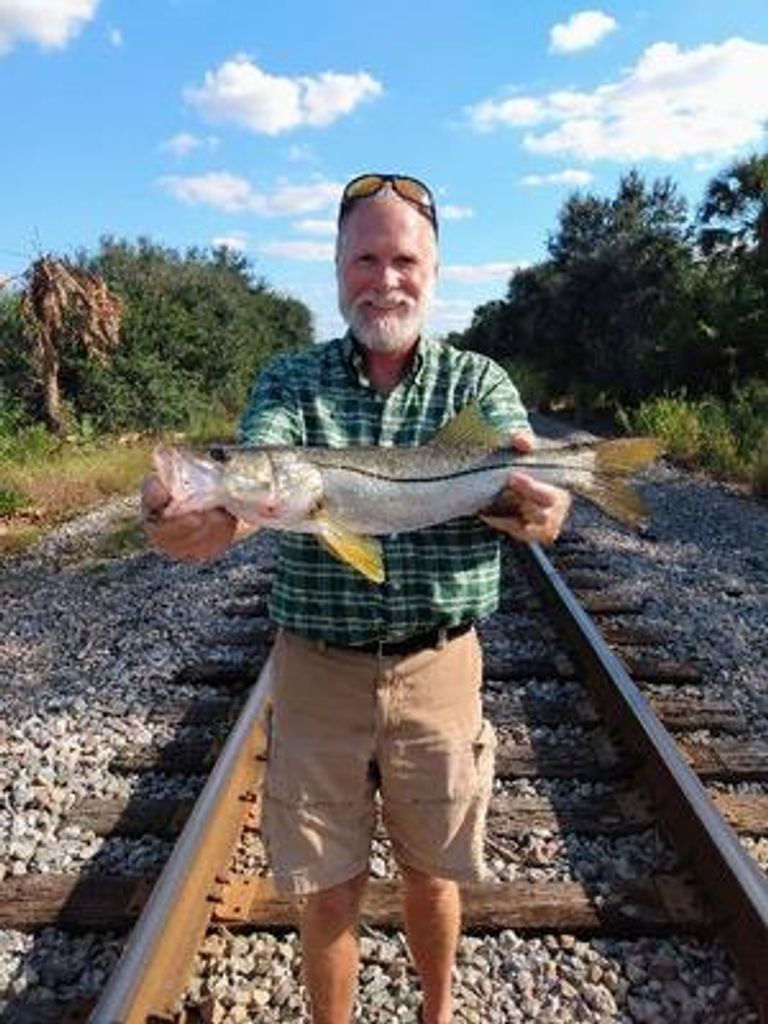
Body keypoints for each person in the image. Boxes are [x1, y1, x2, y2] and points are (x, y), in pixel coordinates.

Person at [143, 172, 571, 1024]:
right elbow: (248, 502)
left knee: (433, 877)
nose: (385, 278)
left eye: (403, 258)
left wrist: (547, 507)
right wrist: (192, 520)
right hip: (316, 675)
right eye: (365, 257)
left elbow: (529, 507)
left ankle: (436, 1016)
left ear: (435, 269)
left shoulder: (477, 386)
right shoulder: (290, 384)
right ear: (336, 266)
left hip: (441, 670)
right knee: (327, 890)